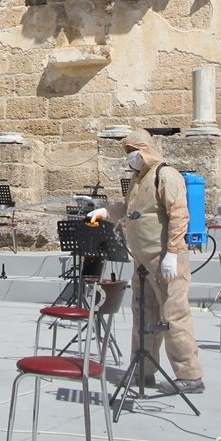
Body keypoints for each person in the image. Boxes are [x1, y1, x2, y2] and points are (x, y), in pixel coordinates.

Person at [88, 128, 204, 393]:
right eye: (128, 154)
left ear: (146, 151)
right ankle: (143, 369)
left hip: (165, 260)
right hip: (142, 262)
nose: (130, 158)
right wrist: (104, 212)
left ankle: (190, 375)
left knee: (174, 314)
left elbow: (179, 215)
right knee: (144, 313)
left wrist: (172, 253)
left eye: (133, 153)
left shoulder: (166, 175)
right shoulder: (137, 179)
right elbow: (130, 211)